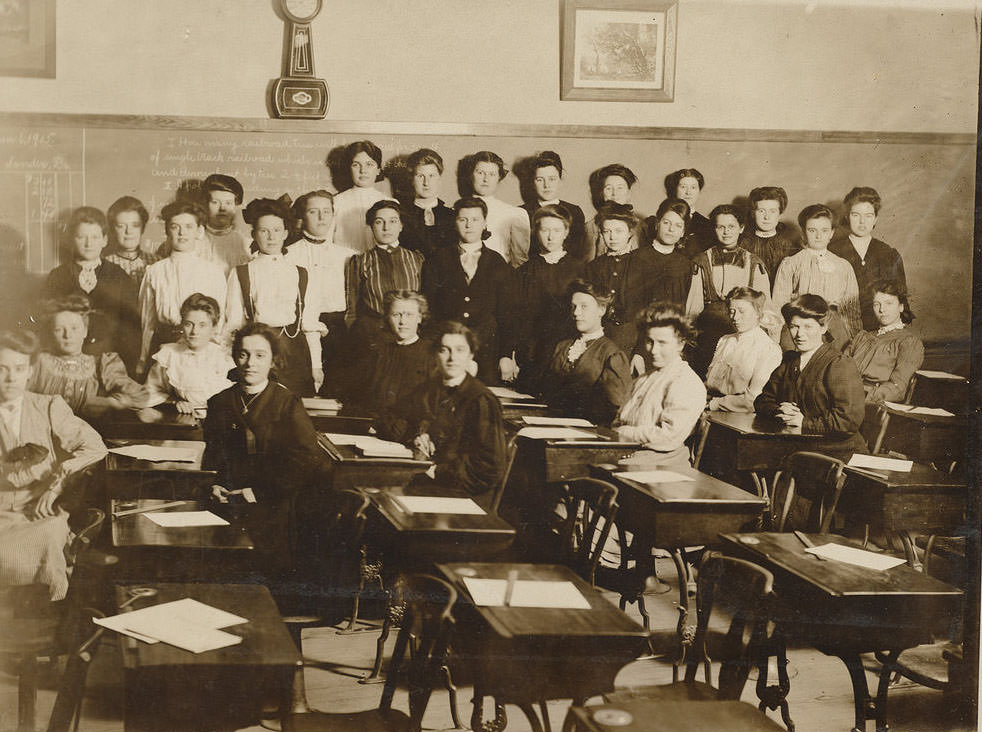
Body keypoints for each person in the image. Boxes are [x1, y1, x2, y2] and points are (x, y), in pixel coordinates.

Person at [202, 323, 326, 580]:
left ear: (273, 361)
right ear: (235, 356)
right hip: (226, 504)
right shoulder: (219, 402)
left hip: (271, 507)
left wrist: (255, 492)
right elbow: (214, 455)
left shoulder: (286, 402)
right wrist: (214, 484)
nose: (250, 363)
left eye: (260, 355)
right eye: (244, 354)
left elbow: (306, 458)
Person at [0, 330, 107, 601]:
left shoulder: (48, 407)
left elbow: (95, 447)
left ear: (30, 371)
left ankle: (54, 612)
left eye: (19, 368)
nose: (11, 378)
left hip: (38, 515)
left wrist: (58, 482)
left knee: (50, 533)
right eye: (1, 369)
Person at [378, 321, 506, 505]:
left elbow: (488, 467)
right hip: (424, 482)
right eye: (444, 350)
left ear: (471, 355)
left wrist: (435, 470)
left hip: (463, 495)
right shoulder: (429, 389)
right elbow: (388, 417)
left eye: (460, 350)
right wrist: (416, 434)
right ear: (435, 355)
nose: (452, 358)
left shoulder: (480, 400)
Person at [225, 197, 324, 397]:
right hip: (257, 352)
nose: (271, 237)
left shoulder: (301, 273)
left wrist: (316, 365)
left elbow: (310, 325)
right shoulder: (242, 273)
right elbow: (233, 325)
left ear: (285, 233)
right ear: (254, 234)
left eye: (277, 230)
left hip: (295, 352)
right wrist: (229, 363)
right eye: (264, 231)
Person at [755, 294, 867, 459]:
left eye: (808, 327)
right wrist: (781, 411)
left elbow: (848, 420)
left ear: (823, 328)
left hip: (837, 454)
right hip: (801, 448)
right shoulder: (790, 361)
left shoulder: (839, 364)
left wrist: (804, 423)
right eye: (794, 326)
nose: (799, 334)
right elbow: (762, 401)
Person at [422, 197, 519, 384]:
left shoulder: (498, 262)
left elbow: (507, 313)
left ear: (484, 223)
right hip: (447, 348)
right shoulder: (437, 260)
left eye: (475, 219)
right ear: (454, 223)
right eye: (463, 219)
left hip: (487, 349)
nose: (469, 225)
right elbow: (428, 309)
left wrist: (505, 355)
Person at [42, 206, 141, 377]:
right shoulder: (58, 277)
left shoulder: (119, 276)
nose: (88, 244)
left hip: (111, 365)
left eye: (95, 237)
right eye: (81, 237)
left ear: (104, 240)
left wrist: (125, 369)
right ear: (72, 239)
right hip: (67, 365)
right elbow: (48, 325)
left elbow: (131, 329)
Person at [138, 200, 227, 377]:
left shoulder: (213, 272)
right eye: (175, 226)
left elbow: (220, 320)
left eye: (188, 226)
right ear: (167, 231)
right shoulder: (155, 271)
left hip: (201, 347)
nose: (182, 232)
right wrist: (142, 358)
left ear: (199, 231)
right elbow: (146, 322)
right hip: (163, 343)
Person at [685, 204, 776, 376]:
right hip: (710, 330)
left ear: (741, 228)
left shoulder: (754, 262)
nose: (726, 232)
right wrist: (690, 335)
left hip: (745, 329)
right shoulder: (702, 261)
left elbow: (764, 306)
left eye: (731, 227)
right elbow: (693, 308)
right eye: (721, 227)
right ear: (714, 229)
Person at [613, 303, 706, 470]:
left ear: (680, 344)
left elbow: (668, 437)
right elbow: (619, 421)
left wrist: (623, 433)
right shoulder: (642, 379)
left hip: (662, 466)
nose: (654, 350)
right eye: (650, 341)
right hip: (631, 457)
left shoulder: (685, 382)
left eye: (662, 343)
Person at [284, 190, 356, 394]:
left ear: (334, 215)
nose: (322, 217)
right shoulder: (288, 254)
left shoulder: (349, 256)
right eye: (314, 212)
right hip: (299, 329)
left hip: (339, 330)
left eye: (326, 211)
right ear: (302, 216)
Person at [30, 296, 147, 419]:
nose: (68, 335)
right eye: (58, 330)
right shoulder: (39, 362)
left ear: (85, 331)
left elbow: (135, 392)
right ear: (50, 333)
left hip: (89, 431)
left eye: (74, 328)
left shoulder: (102, 365)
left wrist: (114, 401)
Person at [538, 280, 631, 426]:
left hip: (588, 433)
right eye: (573, 306)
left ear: (602, 310)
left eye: (584, 306)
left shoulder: (612, 354)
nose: (576, 313)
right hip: (551, 425)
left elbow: (613, 408)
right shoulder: (562, 347)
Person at [772, 204, 862, 346]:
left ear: (832, 233)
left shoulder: (843, 266)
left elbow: (851, 311)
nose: (819, 236)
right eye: (812, 230)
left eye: (824, 230)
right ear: (803, 232)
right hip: (801, 327)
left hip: (835, 330)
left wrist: (855, 341)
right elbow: (779, 305)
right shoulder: (792, 263)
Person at [344, 199, 425, 355]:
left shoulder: (416, 259)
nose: (386, 227)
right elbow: (352, 311)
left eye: (393, 221)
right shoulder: (359, 262)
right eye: (379, 222)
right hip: (374, 340)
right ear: (371, 226)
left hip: (412, 337)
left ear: (401, 225)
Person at [516, 204, 584, 388]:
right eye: (544, 229)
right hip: (532, 351)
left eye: (556, 230)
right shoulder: (524, 271)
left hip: (566, 351)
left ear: (566, 232)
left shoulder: (581, 270)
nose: (550, 236)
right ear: (536, 231)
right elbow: (518, 317)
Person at [342, 290, 434, 418]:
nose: (402, 322)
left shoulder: (431, 354)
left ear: (420, 318)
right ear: (388, 318)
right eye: (396, 315)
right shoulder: (376, 353)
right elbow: (356, 399)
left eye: (409, 315)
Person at [829, 187, 907, 331]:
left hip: (880, 327)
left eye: (868, 215)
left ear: (876, 218)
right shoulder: (833, 251)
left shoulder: (888, 254)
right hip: (844, 327)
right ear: (847, 216)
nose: (862, 222)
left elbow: (900, 300)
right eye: (856, 215)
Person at [145, 293, 235, 414]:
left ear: (213, 327)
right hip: (187, 421)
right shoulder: (170, 354)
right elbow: (150, 391)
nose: (194, 331)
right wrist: (175, 402)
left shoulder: (225, 357)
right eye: (188, 324)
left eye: (202, 325)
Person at [841, 280, 923, 404]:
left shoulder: (909, 342)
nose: (882, 309)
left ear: (901, 306)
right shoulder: (862, 337)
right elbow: (838, 371)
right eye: (876, 304)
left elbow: (898, 388)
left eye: (888, 303)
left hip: (872, 405)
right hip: (843, 398)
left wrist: (857, 398)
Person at [585, 202, 649, 355]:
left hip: (633, 341)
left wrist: (640, 353)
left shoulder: (643, 266)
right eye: (607, 231)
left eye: (619, 231)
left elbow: (649, 313)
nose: (612, 237)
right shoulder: (593, 267)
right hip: (599, 339)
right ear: (601, 233)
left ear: (630, 233)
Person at [705, 287, 783, 413]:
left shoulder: (768, 348)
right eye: (732, 311)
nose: (735, 318)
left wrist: (713, 404)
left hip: (739, 417)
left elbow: (752, 399)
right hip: (709, 409)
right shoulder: (725, 340)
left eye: (742, 311)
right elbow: (709, 383)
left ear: (758, 312)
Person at [463, 151, 531, 267]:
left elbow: (519, 261)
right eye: (480, 173)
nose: (485, 179)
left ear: (499, 177)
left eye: (492, 174)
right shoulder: (456, 212)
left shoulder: (514, 214)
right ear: (471, 175)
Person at [520, 151, 587, 261]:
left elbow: (578, 252)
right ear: (533, 182)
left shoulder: (574, 211)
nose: (547, 185)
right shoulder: (521, 212)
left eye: (552, 179)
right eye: (540, 180)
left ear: (560, 179)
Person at [636, 198, 696, 307]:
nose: (671, 229)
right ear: (657, 224)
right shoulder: (637, 258)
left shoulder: (685, 265)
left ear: (683, 232)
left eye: (678, 225)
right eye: (666, 223)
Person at [399, 148, 456, 260]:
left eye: (431, 176)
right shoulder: (401, 214)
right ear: (411, 179)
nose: (426, 183)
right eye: (420, 176)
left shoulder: (451, 216)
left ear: (439, 178)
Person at [332, 140, 387, 253]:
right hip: (344, 265)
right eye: (356, 165)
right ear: (349, 169)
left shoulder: (389, 203)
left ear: (378, 170)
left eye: (369, 164)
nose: (363, 170)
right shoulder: (336, 202)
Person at [738, 185, 802, 283]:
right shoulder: (742, 245)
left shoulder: (792, 247)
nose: (766, 217)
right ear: (753, 213)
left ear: (780, 214)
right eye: (761, 211)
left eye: (772, 211)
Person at [584, 163, 644, 259]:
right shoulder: (590, 228)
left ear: (629, 192)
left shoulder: (642, 227)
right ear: (602, 193)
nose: (614, 193)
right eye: (608, 188)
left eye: (620, 188)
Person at [198, 173, 251, 275]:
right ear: (205, 204)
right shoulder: (193, 242)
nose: (222, 208)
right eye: (215, 202)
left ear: (235, 206)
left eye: (228, 203)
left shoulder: (246, 246)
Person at [103, 196, 160, 285]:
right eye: (121, 226)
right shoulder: (103, 265)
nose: (128, 231)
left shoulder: (157, 262)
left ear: (142, 228)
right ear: (113, 229)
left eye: (135, 225)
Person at [665, 168, 713, 256]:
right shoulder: (662, 220)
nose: (688, 192)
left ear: (699, 191)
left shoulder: (707, 225)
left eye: (693, 187)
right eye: (683, 187)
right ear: (675, 189)